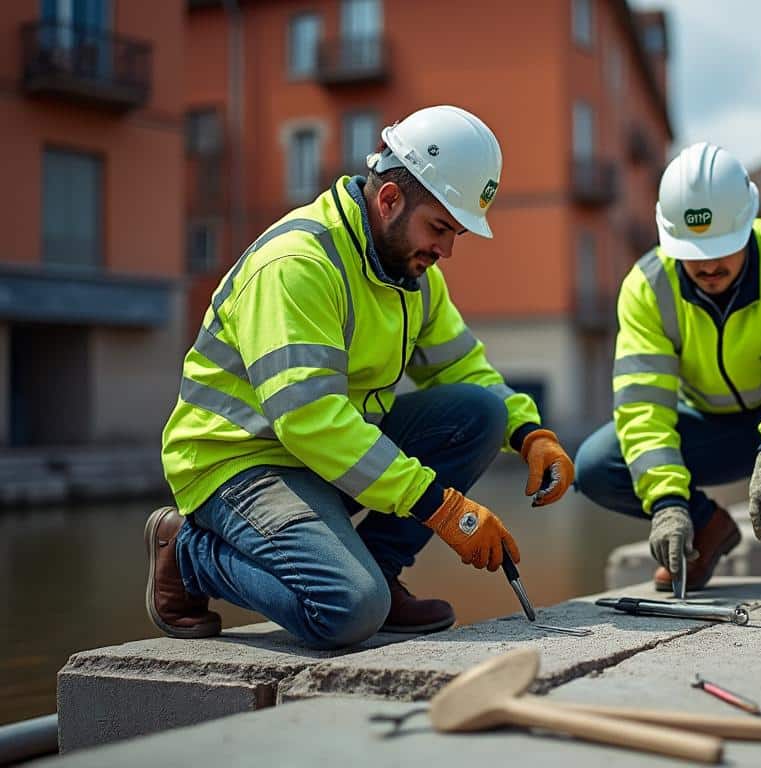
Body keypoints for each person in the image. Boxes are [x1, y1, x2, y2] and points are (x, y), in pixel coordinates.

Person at [149, 105, 575, 649]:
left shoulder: (413, 274)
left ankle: (378, 566)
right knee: (348, 610)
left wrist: (530, 434)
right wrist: (441, 508)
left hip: (318, 457)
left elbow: (461, 366)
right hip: (238, 462)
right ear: (390, 199)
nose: (446, 250)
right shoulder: (298, 264)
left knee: (480, 413)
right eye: (440, 227)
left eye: (457, 234)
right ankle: (186, 553)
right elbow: (309, 420)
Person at [574, 142, 761, 599]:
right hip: (712, 429)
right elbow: (643, 406)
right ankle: (705, 529)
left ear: (748, 225)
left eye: (721, 248)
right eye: (693, 251)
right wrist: (667, 503)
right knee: (597, 465)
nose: (709, 265)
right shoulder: (646, 286)